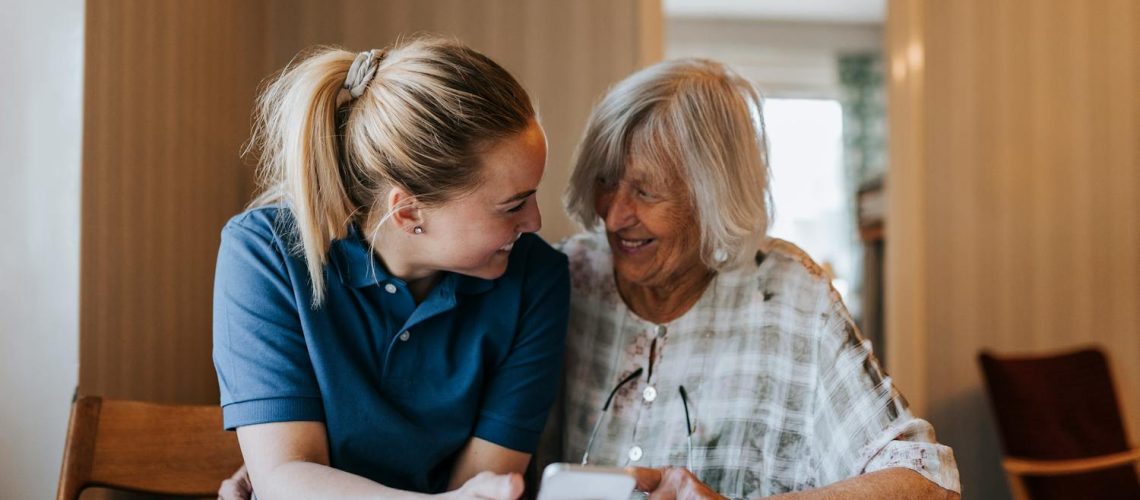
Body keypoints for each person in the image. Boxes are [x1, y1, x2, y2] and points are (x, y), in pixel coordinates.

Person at [544, 58, 961, 499]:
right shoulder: (564, 279)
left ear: (713, 195)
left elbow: (929, 484)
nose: (613, 215)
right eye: (606, 181)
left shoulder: (787, 299)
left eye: (646, 192)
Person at [212, 37, 568, 500]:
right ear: (408, 213)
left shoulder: (537, 280)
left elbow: (483, 488)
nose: (535, 222)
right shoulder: (266, 253)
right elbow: (286, 478)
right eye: (513, 205)